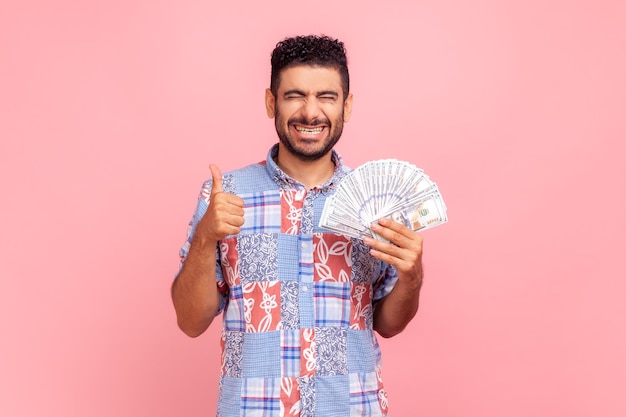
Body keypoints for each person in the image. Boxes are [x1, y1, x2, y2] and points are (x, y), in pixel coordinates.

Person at [171, 34, 425, 417]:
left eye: (326, 96)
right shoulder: (224, 195)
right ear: (271, 102)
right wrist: (206, 237)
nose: (311, 112)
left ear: (347, 106)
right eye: (294, 96)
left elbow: (388, 324)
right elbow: (191, 322)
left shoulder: (378, 204)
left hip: (351, 408)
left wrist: (413, 277)